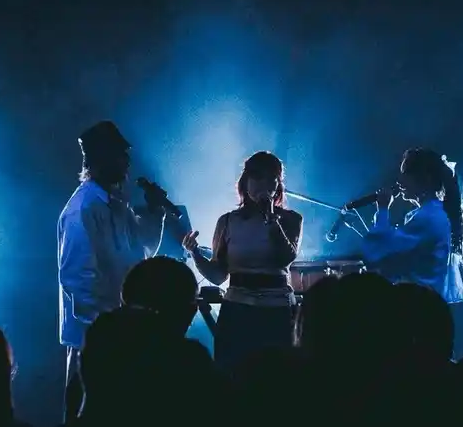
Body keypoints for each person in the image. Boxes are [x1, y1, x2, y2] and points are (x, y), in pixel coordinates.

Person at [58, 120, 169, 424]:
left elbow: (142, 251)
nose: (127, 162)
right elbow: (78, 279)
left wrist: (156, 212)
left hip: (115, 330)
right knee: (87, 413)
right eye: (120, 155)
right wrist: (104, 327)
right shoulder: (82, 208)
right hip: (91, 337)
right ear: (100, 160)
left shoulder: (116, 204)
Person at [181, 151, 303, 372]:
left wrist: (271, 219)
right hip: (238, 311)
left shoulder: (291, 219)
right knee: (232, 373)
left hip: (277, 311)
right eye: (257, 177)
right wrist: (195, 253)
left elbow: (286, 256)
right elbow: (219, 276)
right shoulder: (228, 221)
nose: (263, 184)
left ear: (278, 184)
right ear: (245, 182)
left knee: (279, 375)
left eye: (271, 178)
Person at [360, 148, 463, 305]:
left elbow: (378, 251)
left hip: (418, 306)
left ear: (425, 179)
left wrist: (383, 209)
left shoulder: (428, 218)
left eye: (405, 173)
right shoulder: (431, 213)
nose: (399, 180)